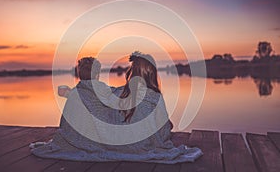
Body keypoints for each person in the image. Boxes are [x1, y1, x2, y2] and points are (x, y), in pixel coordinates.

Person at [30, 54, 203, 164]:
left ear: (131, 72)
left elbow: (99, 96)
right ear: (152, 74)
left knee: (79, 98)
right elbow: (163, 131)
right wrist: (166, 126)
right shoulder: (154, 96)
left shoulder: (119, 92)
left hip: (122, 140)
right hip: (142, 144)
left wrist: (73, 93)